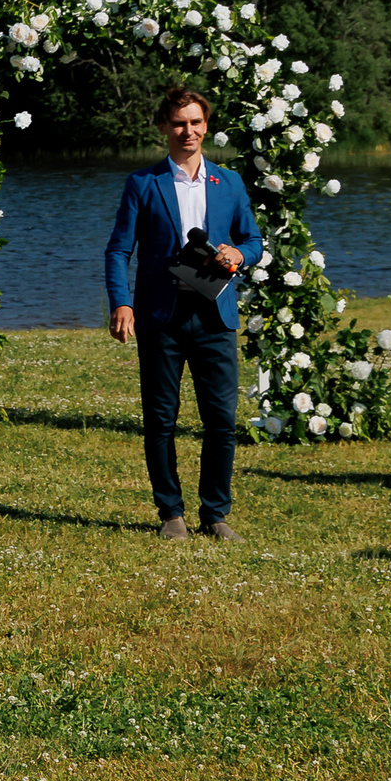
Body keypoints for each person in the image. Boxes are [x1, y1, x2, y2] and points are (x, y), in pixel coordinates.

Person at [103, 86, 256, 543]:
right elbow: (117, 251)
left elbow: (254, 241)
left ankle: (216, 514)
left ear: (206, 125)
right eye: (178, 123)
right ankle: (171, 513)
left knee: (221, 421)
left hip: (215, 317)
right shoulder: (143, 184)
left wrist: (238, 255)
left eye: (195, 122)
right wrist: (121, 302)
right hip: (160, 318)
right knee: (161, 420)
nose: (187, 131)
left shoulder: (229, 182)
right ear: (164, 127)